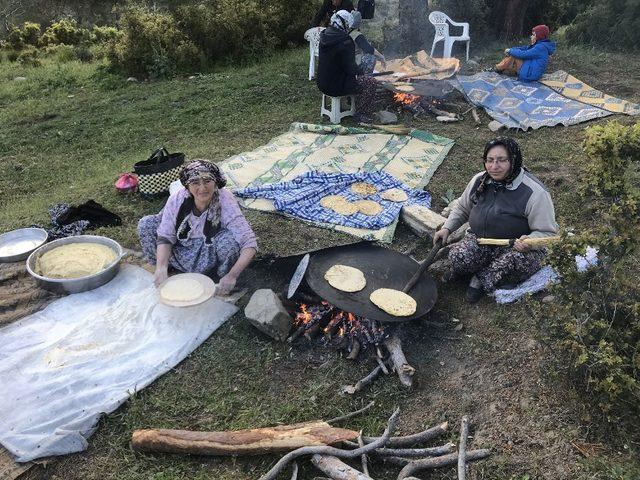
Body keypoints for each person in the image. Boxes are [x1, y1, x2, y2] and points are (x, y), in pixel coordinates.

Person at [433, 138, 558, 303]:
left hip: (517, 248)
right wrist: (447, 228)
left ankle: (481, 279)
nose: (494, 166)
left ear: (513, 160)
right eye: (489, 160)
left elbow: (547, 231)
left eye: (501, 160)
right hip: (481, 240)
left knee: (511, 264)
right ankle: (481, 270)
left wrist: (530, 242)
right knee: (458, 258)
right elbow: (463, 208)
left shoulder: (535, 192)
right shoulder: (480, 180)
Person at [137, 160, 257, 295]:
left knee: (229, 242)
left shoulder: (225, 200)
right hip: (180, 248)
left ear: (216, 182)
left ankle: (222, 279)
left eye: (207, 181)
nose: (202, 188)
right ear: (187, 186)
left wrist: (233, 275)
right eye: (195, 183)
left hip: (209, 250)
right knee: (146, 224)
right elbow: (165, 236)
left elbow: (249, 242)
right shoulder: (177, 199)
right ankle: (165, 271)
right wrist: (161, 268)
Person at [316, 10, 377, 119]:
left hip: (322, 83)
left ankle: (345, 104)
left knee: (355, 77)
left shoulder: (324, 35)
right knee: (370, 82)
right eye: (348, 24)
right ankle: (362, 114)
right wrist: (362, 73)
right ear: (345, 24)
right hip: (336, 86)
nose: (349, 27)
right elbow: (351, 69)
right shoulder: (345, 41)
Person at [350, 11, 386, 75]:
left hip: (346, 62)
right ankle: (365, 75)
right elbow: (369, 49)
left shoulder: (345, 32)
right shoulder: (357, 35)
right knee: (371, 56)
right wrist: (382, 58)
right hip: (354, 64)